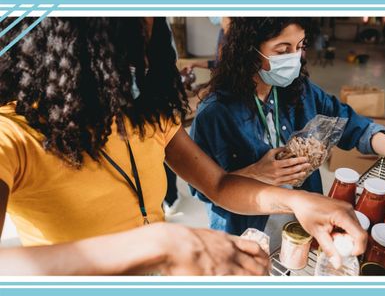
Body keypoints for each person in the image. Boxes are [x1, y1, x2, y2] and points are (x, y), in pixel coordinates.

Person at [0, 17, 366, 275]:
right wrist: (160, 243)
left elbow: (219, 185)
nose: (143, 60)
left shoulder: (146, 112)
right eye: (125, 45)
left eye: (148, 41)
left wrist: (298, 200)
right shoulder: (11, 135)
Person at [190, 17, 385, 249]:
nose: (295, 57)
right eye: (282, 50)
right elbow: (205, 189)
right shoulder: (215, 114)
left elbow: (356, 126)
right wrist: (254, 173)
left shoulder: (299, 91)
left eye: (300, 46)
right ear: (250, 51)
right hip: (247, 231)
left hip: (304, 220)